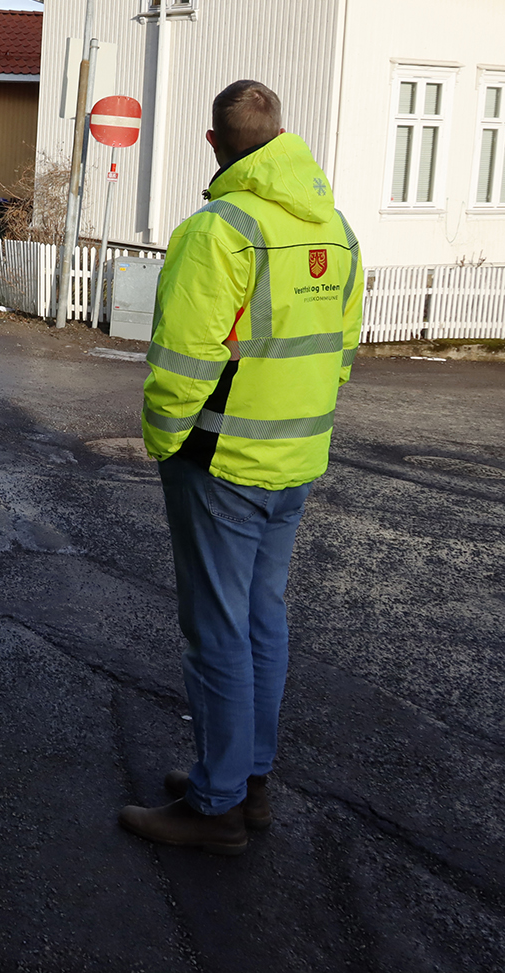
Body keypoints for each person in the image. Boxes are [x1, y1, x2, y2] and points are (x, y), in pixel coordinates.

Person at [119, 80, 364, 855]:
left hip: (220, 460)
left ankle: (217, 803)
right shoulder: (335, 226)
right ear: (282, 132)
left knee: (216, 633)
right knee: (262, 620)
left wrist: (161, 439)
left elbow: (182, 364)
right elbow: (344, 351)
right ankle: (247, 779)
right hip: (295, 456)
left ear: (213, 142)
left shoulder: (219, 229)